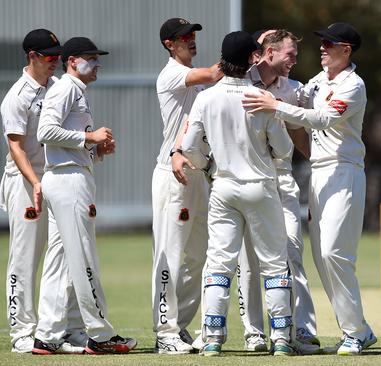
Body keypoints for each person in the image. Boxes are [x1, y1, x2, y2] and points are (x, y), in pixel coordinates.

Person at [243, 22, 376, 355]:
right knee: (320, 257)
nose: (321, 49)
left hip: (344, 171)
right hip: (318, 173)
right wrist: (262, 56)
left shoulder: (353, 85)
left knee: (334, 253)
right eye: (321, 43)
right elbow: (289, 94)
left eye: (328, 44)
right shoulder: (317, 82)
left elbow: (321, 120)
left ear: (346, 50)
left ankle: (355, 333)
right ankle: (358, 329)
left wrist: (275, 106)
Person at [180, 30, 295, 357]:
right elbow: (284, 149)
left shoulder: (206, 97)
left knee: (219, 263)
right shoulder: (259, 96)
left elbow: (189, 147)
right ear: (251, 59)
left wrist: (207, 166)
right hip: (260, 186)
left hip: (224, 187)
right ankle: (282, 337)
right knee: (273, 264)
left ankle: (213, 338)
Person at [34, 36, 136, 354]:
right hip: (67, 182)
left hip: (65, 176)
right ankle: (100, 334)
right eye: (91, 58)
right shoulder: (66, 88)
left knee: (60, 260)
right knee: (83, 256)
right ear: (73, 61)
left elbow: (65, 138)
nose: (98, 63)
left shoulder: (75, 90)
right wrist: (88, 136)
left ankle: (48, 335)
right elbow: (44, 132)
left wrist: (94, 147)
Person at [0, 28, 87, 354]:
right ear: (31, 56)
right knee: (25, 257)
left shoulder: (58, 87)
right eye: (49, 57)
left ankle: (61, 328)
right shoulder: (17, 96)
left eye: (57, 56)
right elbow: (16, 148)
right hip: (24, 181)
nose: (55, 62)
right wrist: (34, 183)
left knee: (63, 253)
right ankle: (21, 331)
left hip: (52, 177)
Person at [235, 29, 319, 354]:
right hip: (248, 180)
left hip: (282, 179)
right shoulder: (241, 81)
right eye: (290, 55)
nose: (295, 61)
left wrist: (319, 159)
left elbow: (300, 135)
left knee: (293, 252)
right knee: (251, 261)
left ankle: (301, 331)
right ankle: (254, 333)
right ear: (269, 52)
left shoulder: (295, 89)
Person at [152, 17, 222, 355]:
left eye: (193, 35)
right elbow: (212, 73)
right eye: (184, 37)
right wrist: (247, 50)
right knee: (170, 255)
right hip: (172, 174)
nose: (191, 41)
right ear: (169, 43)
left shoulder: (197, 84)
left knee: (198, 256)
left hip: (197, 175)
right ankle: (164, 332)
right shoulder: (172, 74)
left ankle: (179, 329)